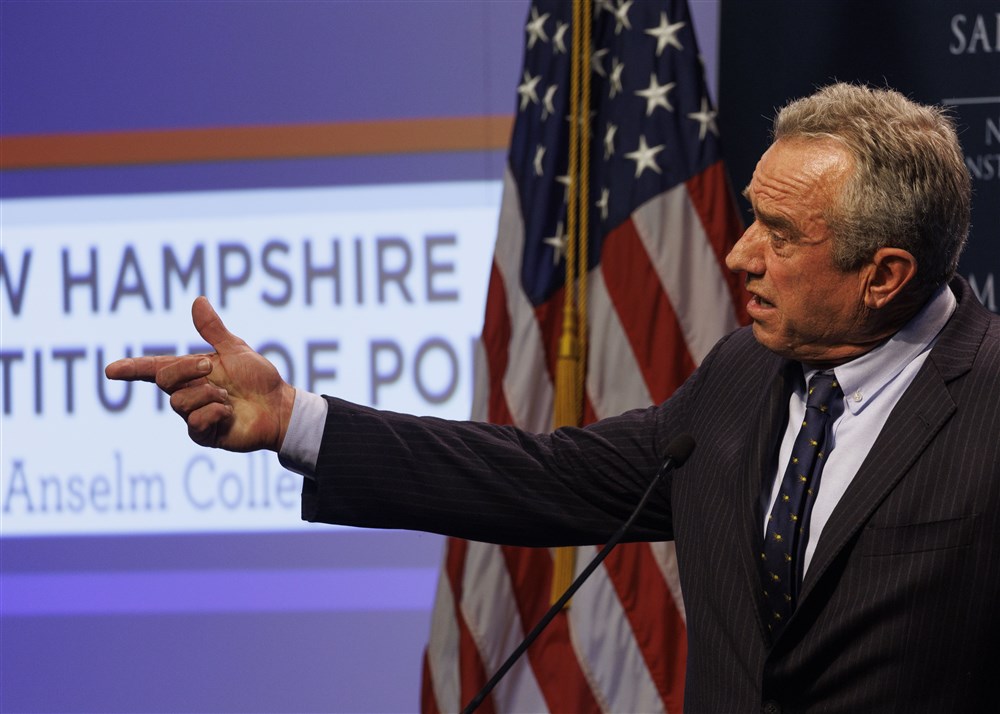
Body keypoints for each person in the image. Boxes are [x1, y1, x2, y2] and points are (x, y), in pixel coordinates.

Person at [107, 83, 999, 712]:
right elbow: (549, 478)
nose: (738, 255)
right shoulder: (740, 376)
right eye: (749, 217)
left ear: (884, 274)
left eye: (779, 234)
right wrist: (293, 421)